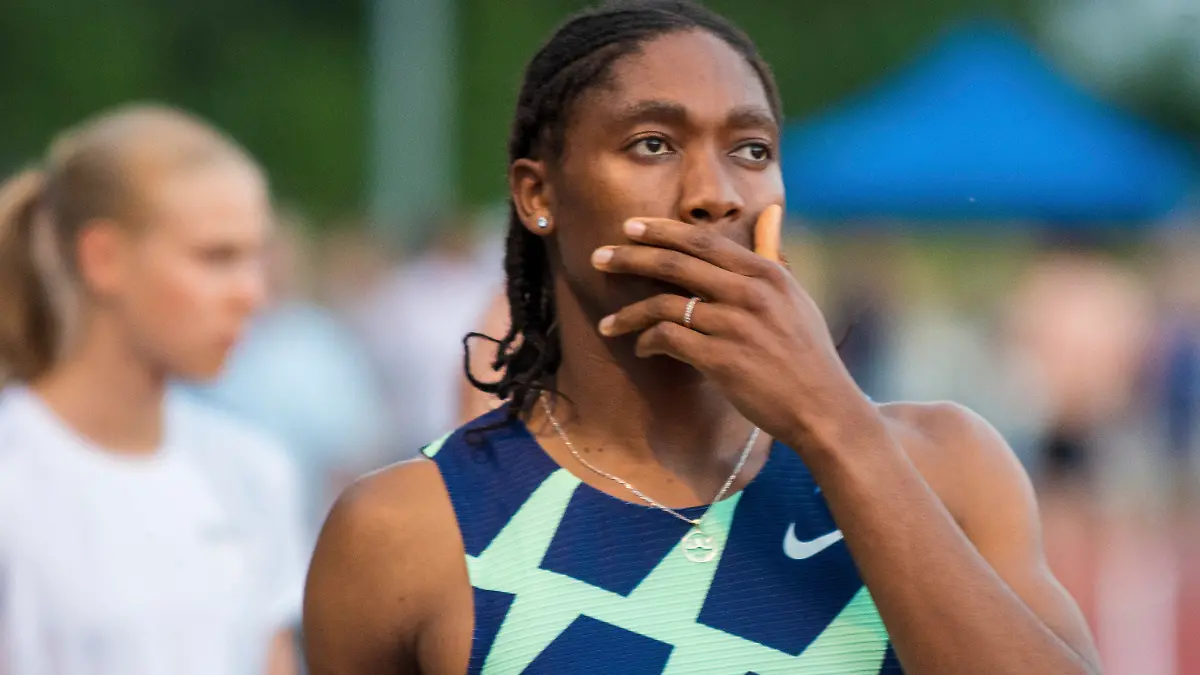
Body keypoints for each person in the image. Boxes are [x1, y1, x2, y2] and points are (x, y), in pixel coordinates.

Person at [303, 2, 1101, 673]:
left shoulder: (945, 463)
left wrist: (834, 425)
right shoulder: (407, 527)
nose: (714, 196)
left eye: (751, 150)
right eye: (653, 144)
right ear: (537, 194)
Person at [0, 104, 306, 675]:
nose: (251, 294)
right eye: (217, 257)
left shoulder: (253, 466)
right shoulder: (15, 474)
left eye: (255, 257)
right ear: (104, 258)